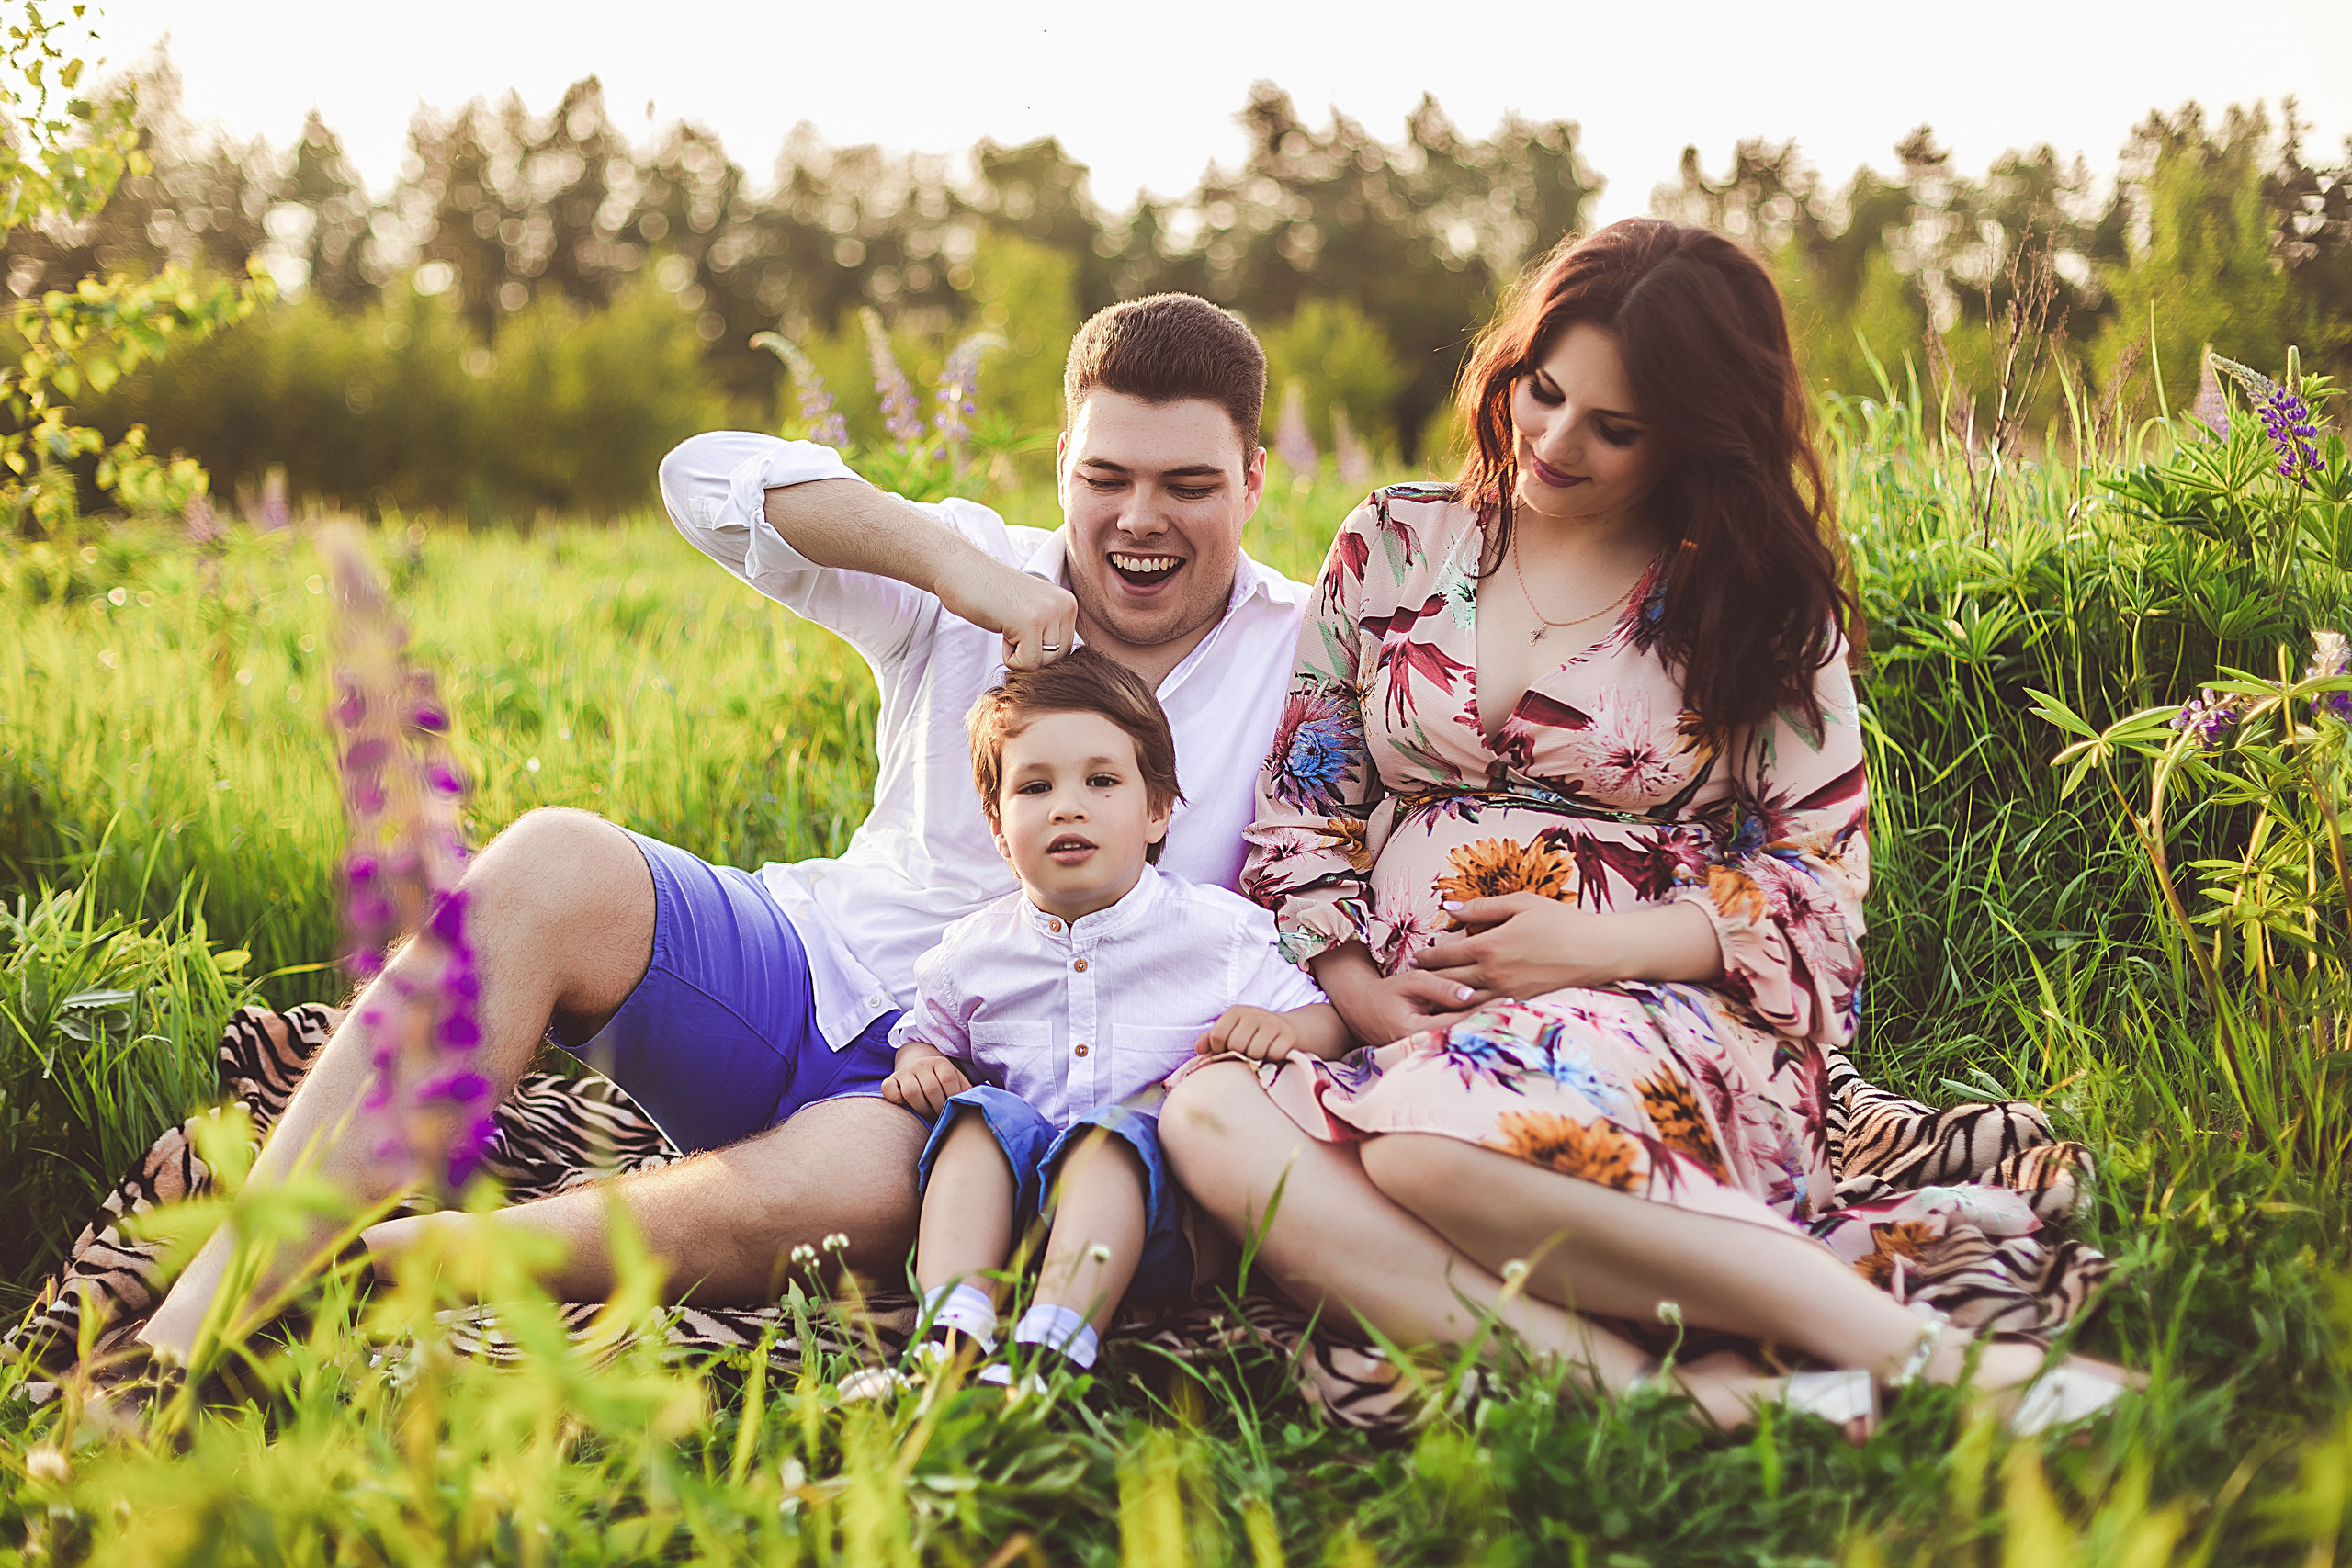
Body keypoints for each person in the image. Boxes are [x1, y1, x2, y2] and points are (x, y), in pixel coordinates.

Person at [137, 294, 1310, 1363]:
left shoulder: (1313, 652)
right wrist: (963, 574)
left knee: (850, 1198)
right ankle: (180, 1338)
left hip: (994, 1090)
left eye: (1188, 486)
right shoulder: (974, 570)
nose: (1138, 519)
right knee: (551, 859)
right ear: (1062, 461)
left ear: (1254, 479)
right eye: (1106, 477)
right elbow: (702, 478)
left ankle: (398, 1264)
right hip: (811, 969)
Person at [1159, 219, 2127, 1437]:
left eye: (1612, 427)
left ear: (1695, 435)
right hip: (1410, 1028)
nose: (1553, 442)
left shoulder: (1751, 597)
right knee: (1210, 1116)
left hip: (1657, 1021)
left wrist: (1588, 947)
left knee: (1416, 1155)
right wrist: (1356, 990)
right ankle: (1674, 1402)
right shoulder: (1395, 541)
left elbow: (1818, 889)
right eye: (1541, 392)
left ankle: (1926, 1355)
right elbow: (1303, 807)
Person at [868, 649, 1343, 1389]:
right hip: (1021, 1216)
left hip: (1156, 1219)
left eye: (1100, 781)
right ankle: (950, 1330)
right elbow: (925, 1035)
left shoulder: (1218, 935)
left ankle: (1051, 1348)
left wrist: (1277, 1030)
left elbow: (1325, 1021)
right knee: (975, 1117)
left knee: (1114, 1139)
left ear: (1156, 809)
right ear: (998, 826)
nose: (1068, 805)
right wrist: (920, 1063)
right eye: (1035, 787)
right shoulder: (974, 952)